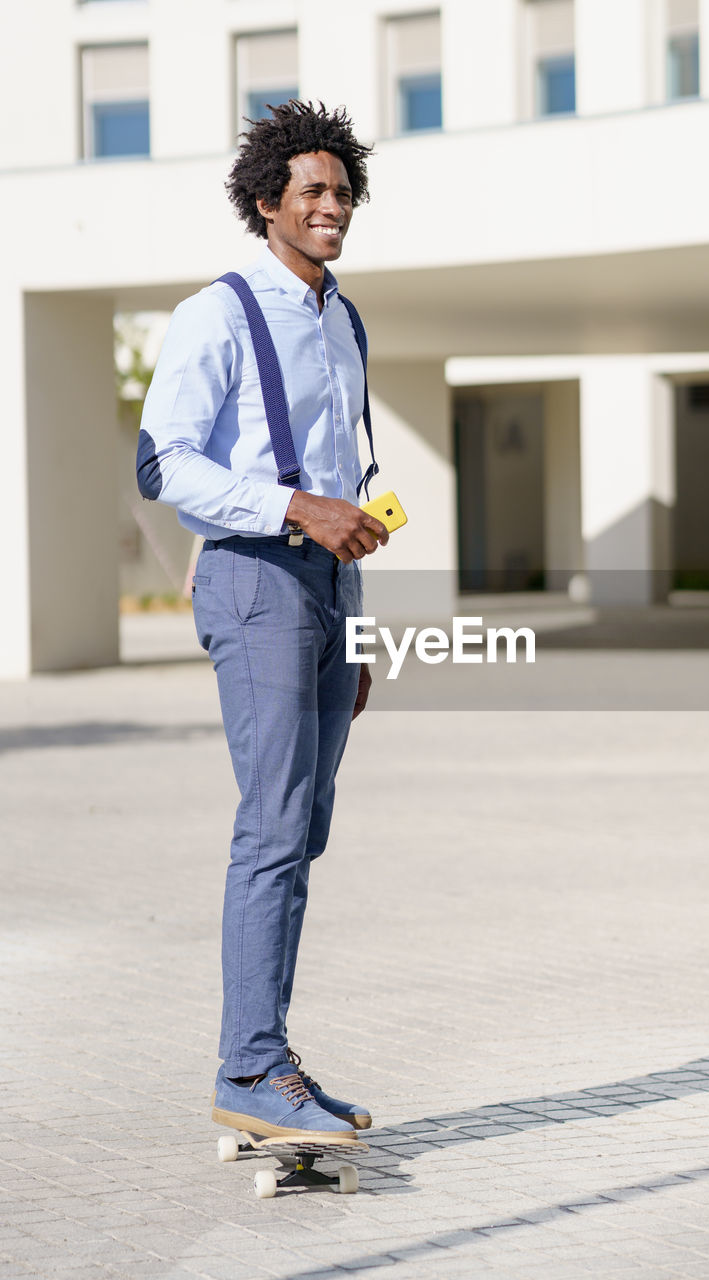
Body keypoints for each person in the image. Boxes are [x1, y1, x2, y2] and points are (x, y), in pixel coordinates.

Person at [137, 101, 388, 1144]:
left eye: (342, 192)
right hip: (253, 576)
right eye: (312, 192)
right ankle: (248, 1065)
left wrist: (357, 625)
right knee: (276, 823)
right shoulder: (220, 312)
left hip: (328, 593)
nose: (331, 207)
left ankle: (267, 1054)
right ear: (265, 202)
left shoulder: (343, 316)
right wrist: (293, 509)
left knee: (306, 825)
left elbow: (348, 481)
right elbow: (162, 463)